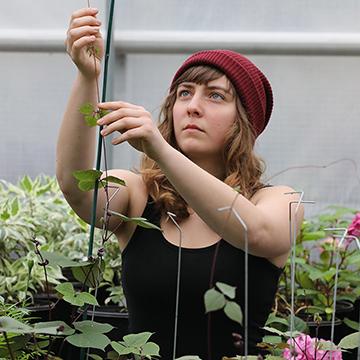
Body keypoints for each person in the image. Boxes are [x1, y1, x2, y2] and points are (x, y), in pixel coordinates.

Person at [57, 7, 304, 360]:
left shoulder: (279, 200)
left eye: (216, 96)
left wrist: (160, 150)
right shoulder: (141, 196)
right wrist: (87, 75)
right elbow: (75, 187)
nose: (192, 106)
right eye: (184, 93)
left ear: (245, 121)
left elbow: (258, 234)